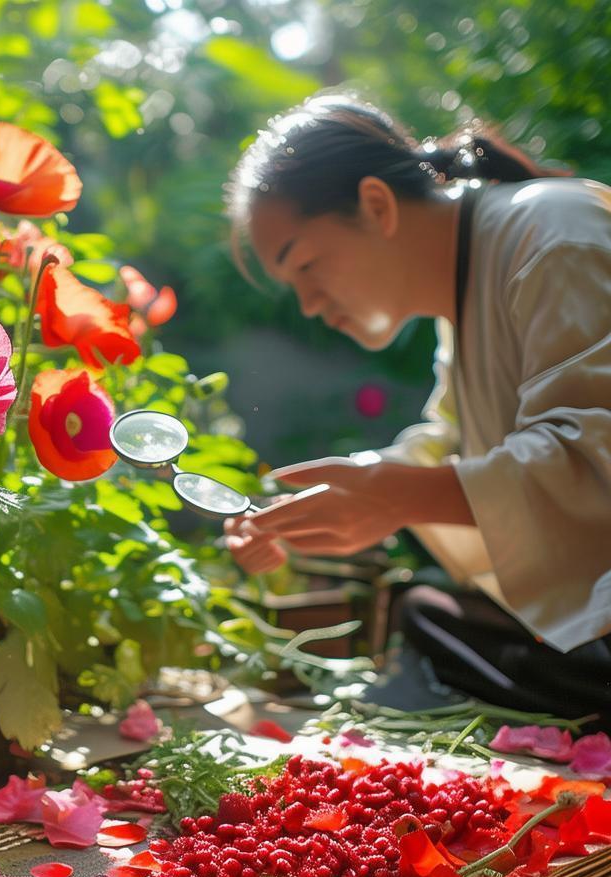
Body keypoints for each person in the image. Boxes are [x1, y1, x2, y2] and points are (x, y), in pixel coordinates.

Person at [222, 93, 611, 719]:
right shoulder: (474, 269)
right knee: (424, 612)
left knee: (431, 632)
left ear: (376, 205)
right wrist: (326, 506)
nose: (311, 305)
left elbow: (593, 456)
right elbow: (449, 441)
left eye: (307, 265)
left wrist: (394, 495)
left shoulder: (553, 231)